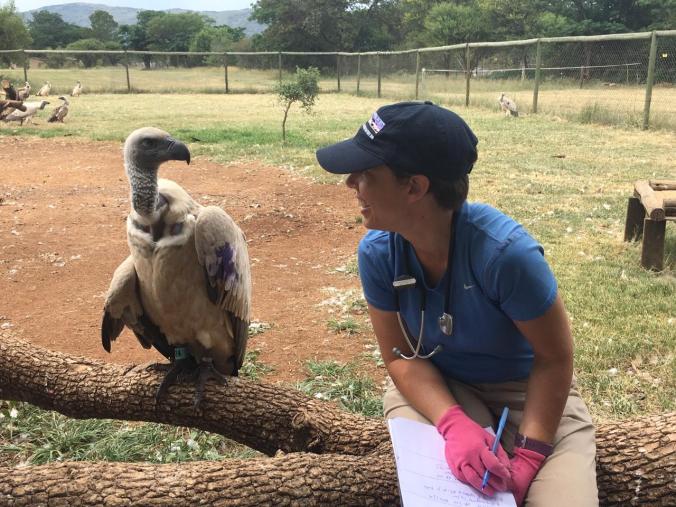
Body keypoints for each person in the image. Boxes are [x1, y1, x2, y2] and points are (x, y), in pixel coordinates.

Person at [315, 101, 598, 506]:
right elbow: (400, 357)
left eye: (366, 173)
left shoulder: (506, 256)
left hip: (530, 393)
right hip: (438, 385)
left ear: (414, 187)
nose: (350, 183)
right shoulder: (377, 254)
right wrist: (453, 425)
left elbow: (554, 358)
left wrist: (530, 457)